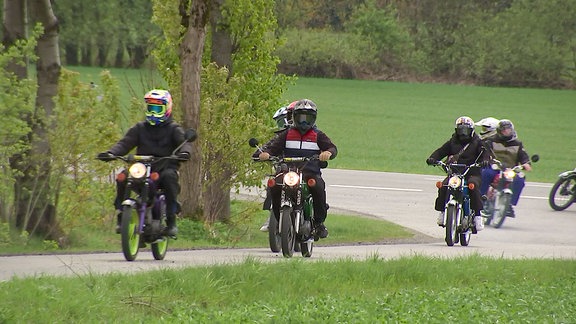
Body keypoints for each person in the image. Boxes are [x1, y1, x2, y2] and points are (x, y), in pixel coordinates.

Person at [98, 89, 193, 236]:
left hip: (164, 167)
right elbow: (124, 144)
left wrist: (184, 153)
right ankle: (122, 214)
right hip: (141, 167)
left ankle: (171, 220)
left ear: (167, 109)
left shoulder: (174, 129)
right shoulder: (139, 128)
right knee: (122, 177)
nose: (153, 112)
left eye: (157, 108)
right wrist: (111, 153)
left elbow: (184, 143)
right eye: (151, 108)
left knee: (169, 177)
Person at [255, 99, 337, 238]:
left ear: (313, 118)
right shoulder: (286, 134)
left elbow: (331, 147)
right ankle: (276, 218)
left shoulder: (318, 135)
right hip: (287, 171)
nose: (304, 122)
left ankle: (318, 223)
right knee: (274, 185)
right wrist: (264, 154)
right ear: (294, 117)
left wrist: (328, 153)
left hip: (309, 172)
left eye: (308, 118)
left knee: (318, 187)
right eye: (301, 118)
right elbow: (272, 147)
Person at [426, 116, 490, 231]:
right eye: (461, 129)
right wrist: (432, 158)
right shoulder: (452, 142)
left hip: (472, 173)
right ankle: (441, 212)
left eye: (465, 129)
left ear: (471, 130)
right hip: (454, 173)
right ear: (457, 130)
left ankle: (478, 216)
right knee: (444, 186)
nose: (463, 133)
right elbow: (440, 151)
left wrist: (485, 161)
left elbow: (485, 153)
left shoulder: (478, 142)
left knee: (473, 186)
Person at [479, 119, 532, 217]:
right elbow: (487, 153)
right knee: (485, 174)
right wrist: (488, 160)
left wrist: (526, 163)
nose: (507, 132)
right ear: (499, 131)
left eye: (509, 130)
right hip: (495, 168)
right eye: (504, 130)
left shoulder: (517, 143)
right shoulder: (491, 141)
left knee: (520, 180)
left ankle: (510, 204)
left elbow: (523, 155)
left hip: (510, 170)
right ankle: (482, 198)